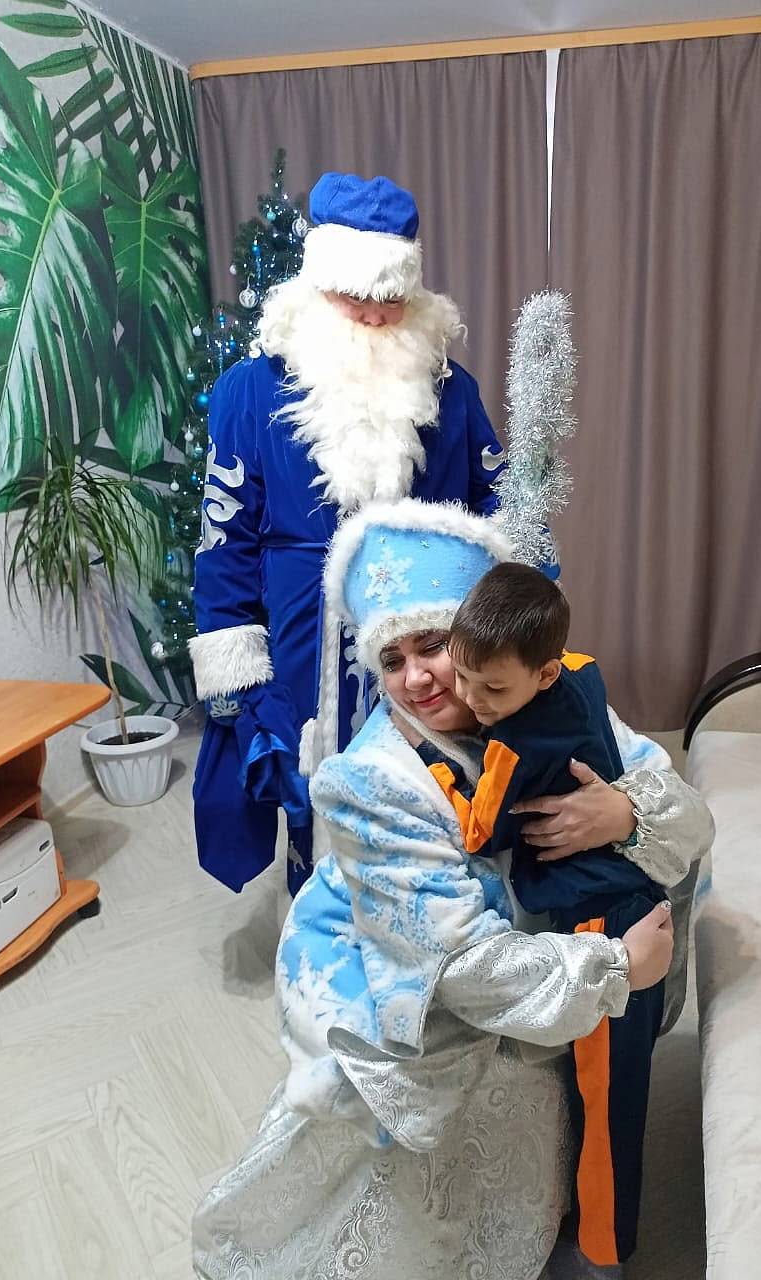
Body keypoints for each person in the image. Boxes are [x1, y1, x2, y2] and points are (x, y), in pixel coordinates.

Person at [192, 499, 715, 1280]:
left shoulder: (553, 698)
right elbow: (458, 968)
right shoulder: (371, 781)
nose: (416, 678)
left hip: (538, 961)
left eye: (433, 645)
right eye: (391, 658)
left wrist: (623, 814)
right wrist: (613, 969)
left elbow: (693, 820)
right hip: (426, 984)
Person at [188, 172, 507, 896]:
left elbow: (499, 503)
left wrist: (519, 606)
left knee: (439, 777)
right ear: (318, 286)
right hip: (305, 626)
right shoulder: (251, 390)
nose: (370, 315)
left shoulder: (451, 389)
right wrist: (235, 661)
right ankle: (325, 916)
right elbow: (224, 536)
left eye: (387, 299)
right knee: (316, 772)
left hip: (430, 628)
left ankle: (439, 918)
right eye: (351, 296)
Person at [424, 560, 675, 1266]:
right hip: (634, 890)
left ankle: (603, 1252)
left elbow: (479, 831)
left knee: (604, 1101)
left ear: (541, 674)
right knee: (617, 1088)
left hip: (601, 925)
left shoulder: (512, 746)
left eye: (492, 688)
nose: (470, 698)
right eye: (462, 675)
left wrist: (437, 768)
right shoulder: (583, 672)